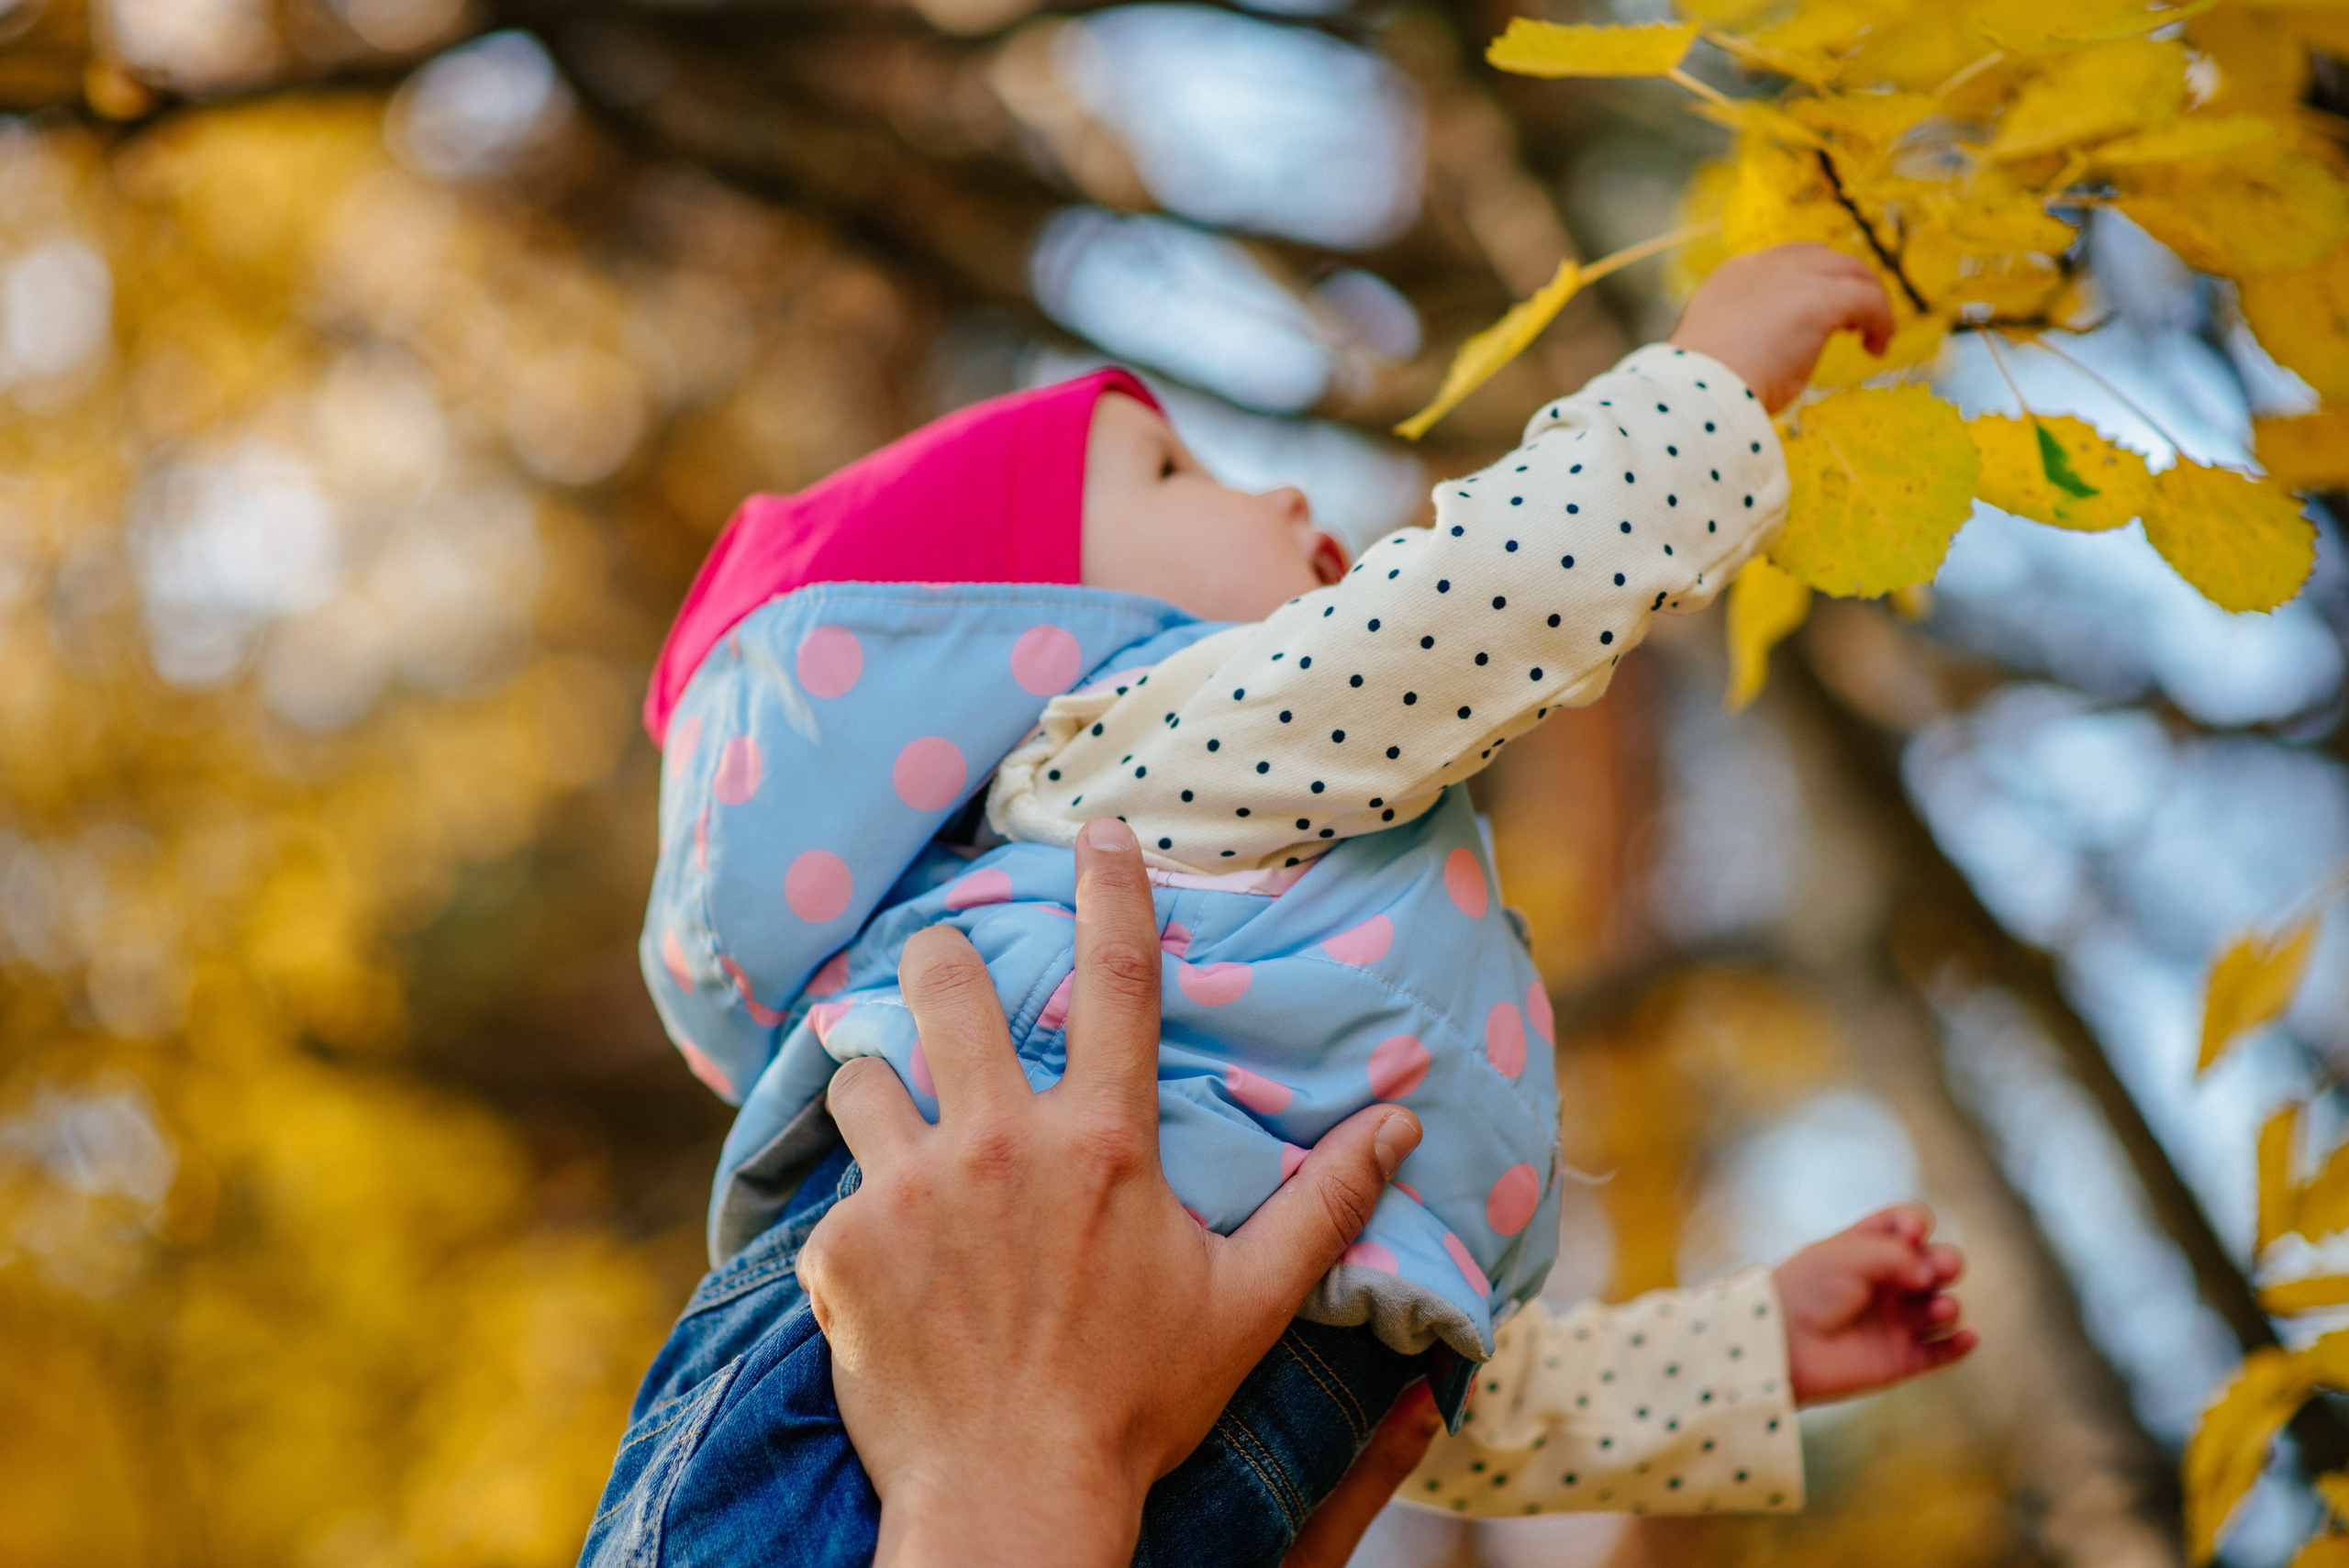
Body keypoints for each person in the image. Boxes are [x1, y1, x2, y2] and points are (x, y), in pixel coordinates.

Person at [606, 241, 1974, 1564]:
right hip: (812, 1469)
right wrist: (1703, 388)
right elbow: (1472, 606)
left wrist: (1741, 1361)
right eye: (1170, 469)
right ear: (1028, 628)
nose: (1269, 497)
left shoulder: (1265, 995)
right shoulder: (1124, 761)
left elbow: (1422, 1388)